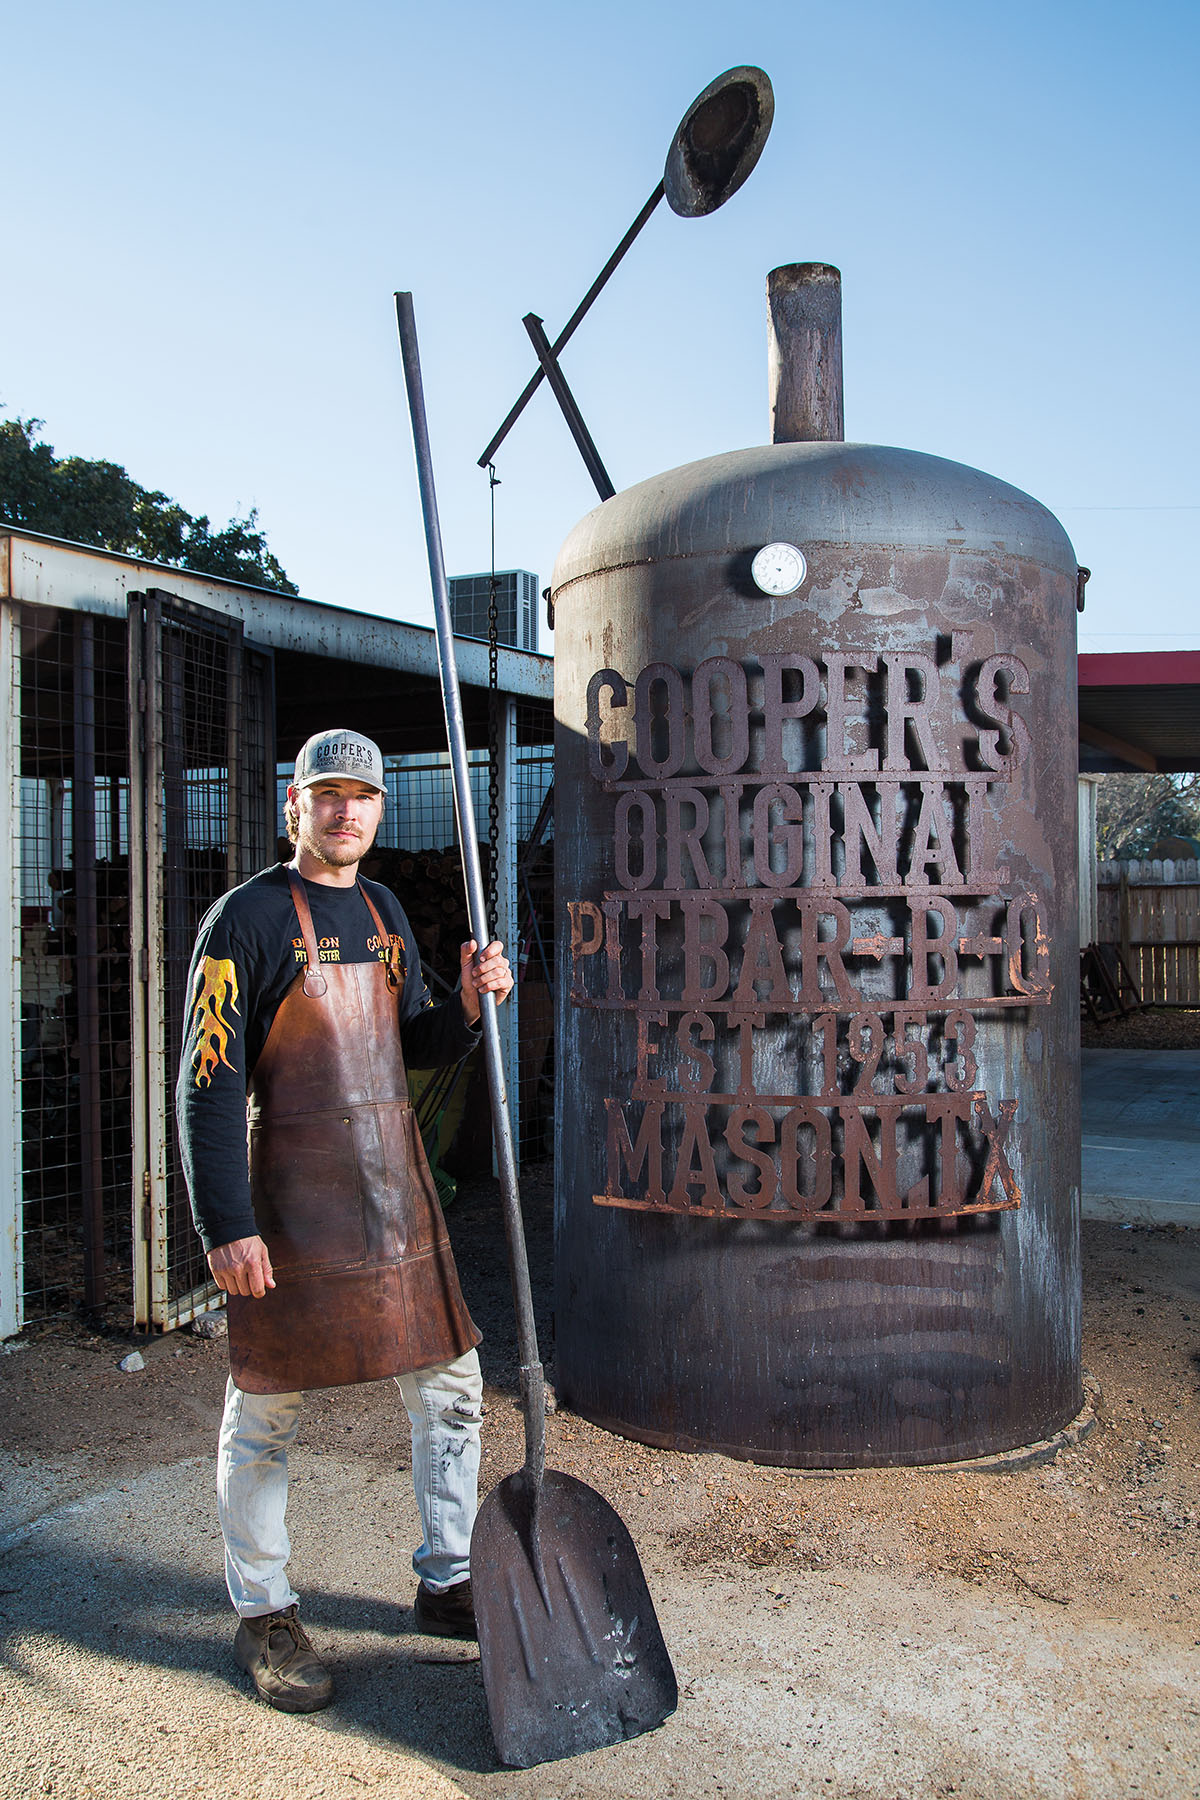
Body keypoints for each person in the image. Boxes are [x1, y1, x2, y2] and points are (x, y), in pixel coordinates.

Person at [176, 727, 513, 1714]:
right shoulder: (240, 922)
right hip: (288, 1203)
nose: (348, 812)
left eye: (362, 796)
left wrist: (467, 1002)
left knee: (451, 1387)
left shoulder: (384, 908)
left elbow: (416, 1044)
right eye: (328, 794)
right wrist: (223, 1226)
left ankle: (447, 1579)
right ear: (296, 802)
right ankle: (265, 1610)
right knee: (267, 1404)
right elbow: (206, 1084)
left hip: (395, 1195)